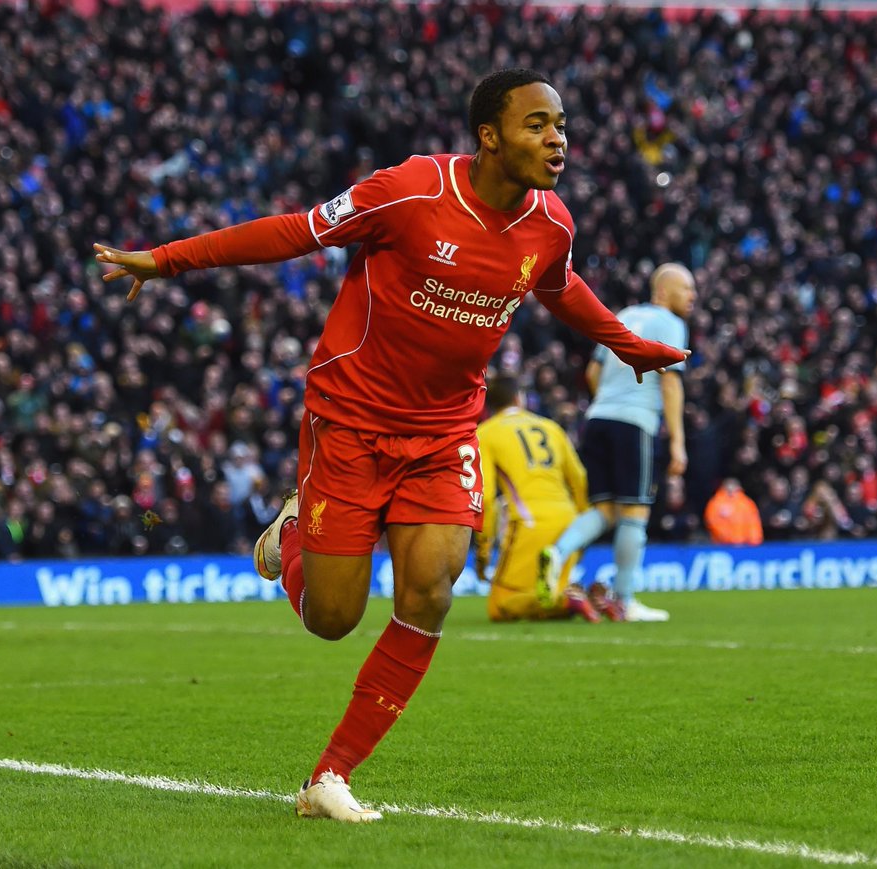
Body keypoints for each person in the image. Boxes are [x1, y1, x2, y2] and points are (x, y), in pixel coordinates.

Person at [94, 68, 687, 822]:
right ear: (489, 136)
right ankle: (290, 533)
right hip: (350, 419)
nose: (556, 139)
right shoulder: (411, 190)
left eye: (561, 125)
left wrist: (628, 345)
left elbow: (558, 286)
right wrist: (169, 258)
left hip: (444, 431)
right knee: (332, 618)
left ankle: (330, 775)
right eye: (537, 124)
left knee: (431, 590)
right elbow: (297, 231)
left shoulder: (552, 223)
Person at [539, 263, 696, 622]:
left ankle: (557, 553)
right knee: (635, 513)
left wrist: (609, 401)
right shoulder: (670, 323)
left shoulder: (624, 315)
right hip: (634, 422)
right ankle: (624, 602)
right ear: (664, 290)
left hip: (598, 419)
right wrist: (678, 442)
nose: (693, 296)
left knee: (606, 510)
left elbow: (593, 372)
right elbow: (670, 383)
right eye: (687, 288)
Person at [473, 376, 621, 623]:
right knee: (543, 601)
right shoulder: (550, 427)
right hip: (568, 526)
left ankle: (569, 600)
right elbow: (579, 479)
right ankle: (592, 598)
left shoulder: (485, 433)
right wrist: (581, 530)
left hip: (529, 525)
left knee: (499, 607)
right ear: (519, 398)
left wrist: (483, 550)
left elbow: (485, 497)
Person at [703, 478, 764, 545]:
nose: (731, 489)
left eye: (734, 486)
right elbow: (712, 521)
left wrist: (755, 539)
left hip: (745, 544)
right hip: (722, 544)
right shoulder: (716, 503)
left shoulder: (747, 503)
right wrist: (726, 537)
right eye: (728, 487)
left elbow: (753, 522)